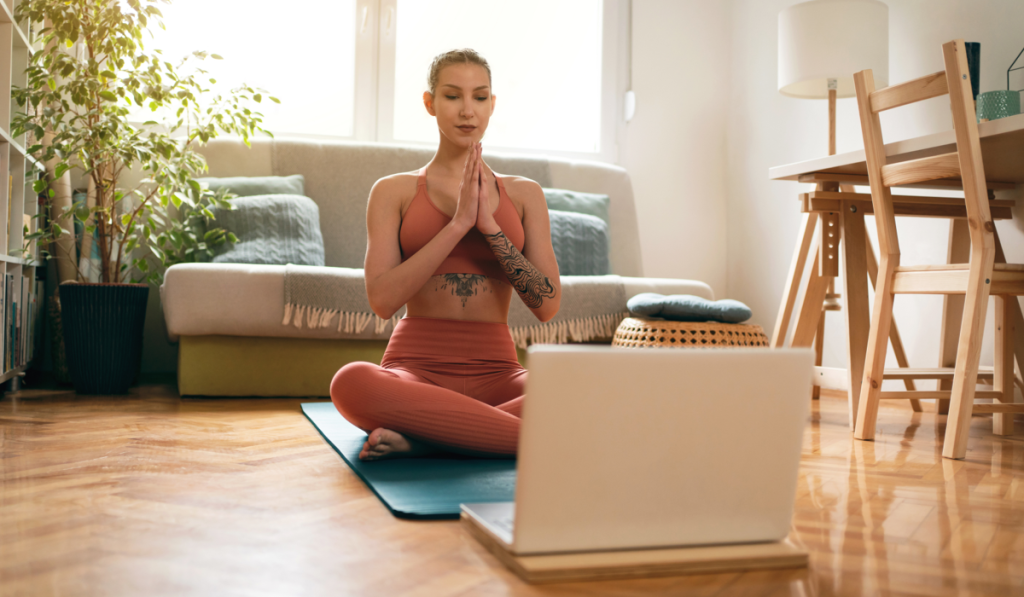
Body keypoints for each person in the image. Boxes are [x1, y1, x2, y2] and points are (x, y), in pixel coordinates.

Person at [330, 49, 561, 461]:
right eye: (453, 96)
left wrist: (489, 226)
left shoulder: (526, 194)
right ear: (430, 103)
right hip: (414, 369)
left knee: (571, 388)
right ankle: (519, 437)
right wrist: (457, 225)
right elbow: (382, 302)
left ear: (492, 104)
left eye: (480, 96)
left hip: (500, 372)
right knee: (351, 382)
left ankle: (425, 436)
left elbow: (546, 305)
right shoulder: (393, 191)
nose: (467, 110)